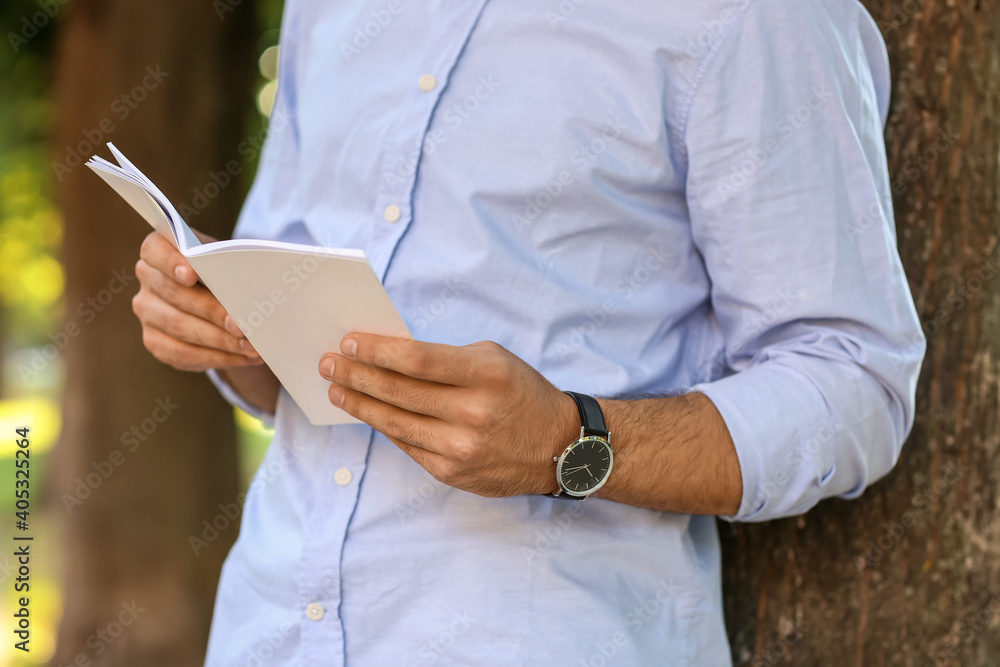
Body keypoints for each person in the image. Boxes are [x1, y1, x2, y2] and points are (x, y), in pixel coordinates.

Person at [131, 0, 926, 664]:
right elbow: (287, 353)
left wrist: (568, 443)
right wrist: (218, 323)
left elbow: (854, 379)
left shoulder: (755, 17)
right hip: (266, 632)